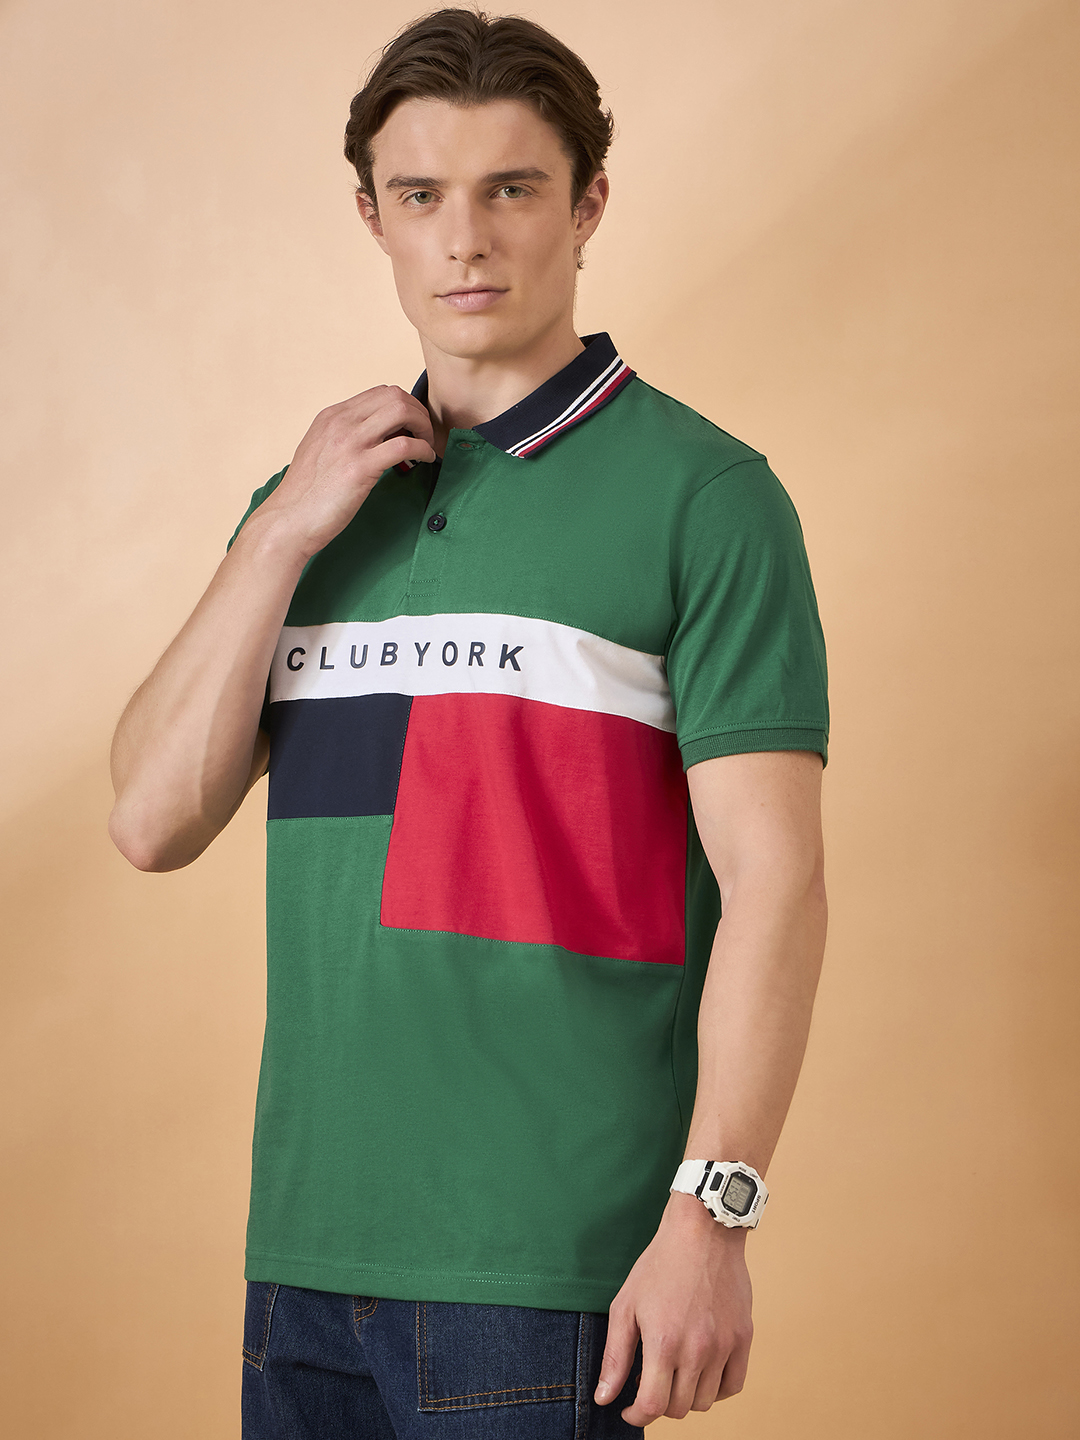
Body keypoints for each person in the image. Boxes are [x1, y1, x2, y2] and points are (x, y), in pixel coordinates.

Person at [108, 8, 829, 1436]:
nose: (466, 241)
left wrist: (713, 1220)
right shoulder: (313, 506)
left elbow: (778, 883)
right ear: (372, 216)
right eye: (423, 195)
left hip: (549, 1270)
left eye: (512, 188)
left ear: (588, 204)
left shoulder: (704, 497)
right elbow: (149, 820)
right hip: (304, 1264)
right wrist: (279, 533)